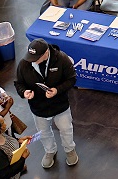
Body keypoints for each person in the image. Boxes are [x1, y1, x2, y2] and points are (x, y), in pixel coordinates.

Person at [14, 38, 78, 169]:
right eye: (31, 57)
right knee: (43, 132)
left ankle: (69, 149)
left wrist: (57, 90)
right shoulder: (25, 63)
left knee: (66, 129)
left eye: (36, 57)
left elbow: (72, 79)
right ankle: (50, 151)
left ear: (46, 53)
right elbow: (18, 83)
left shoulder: (61, 59)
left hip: (60, 105)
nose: (32, 60)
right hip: (38, 107)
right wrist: (24, 92)